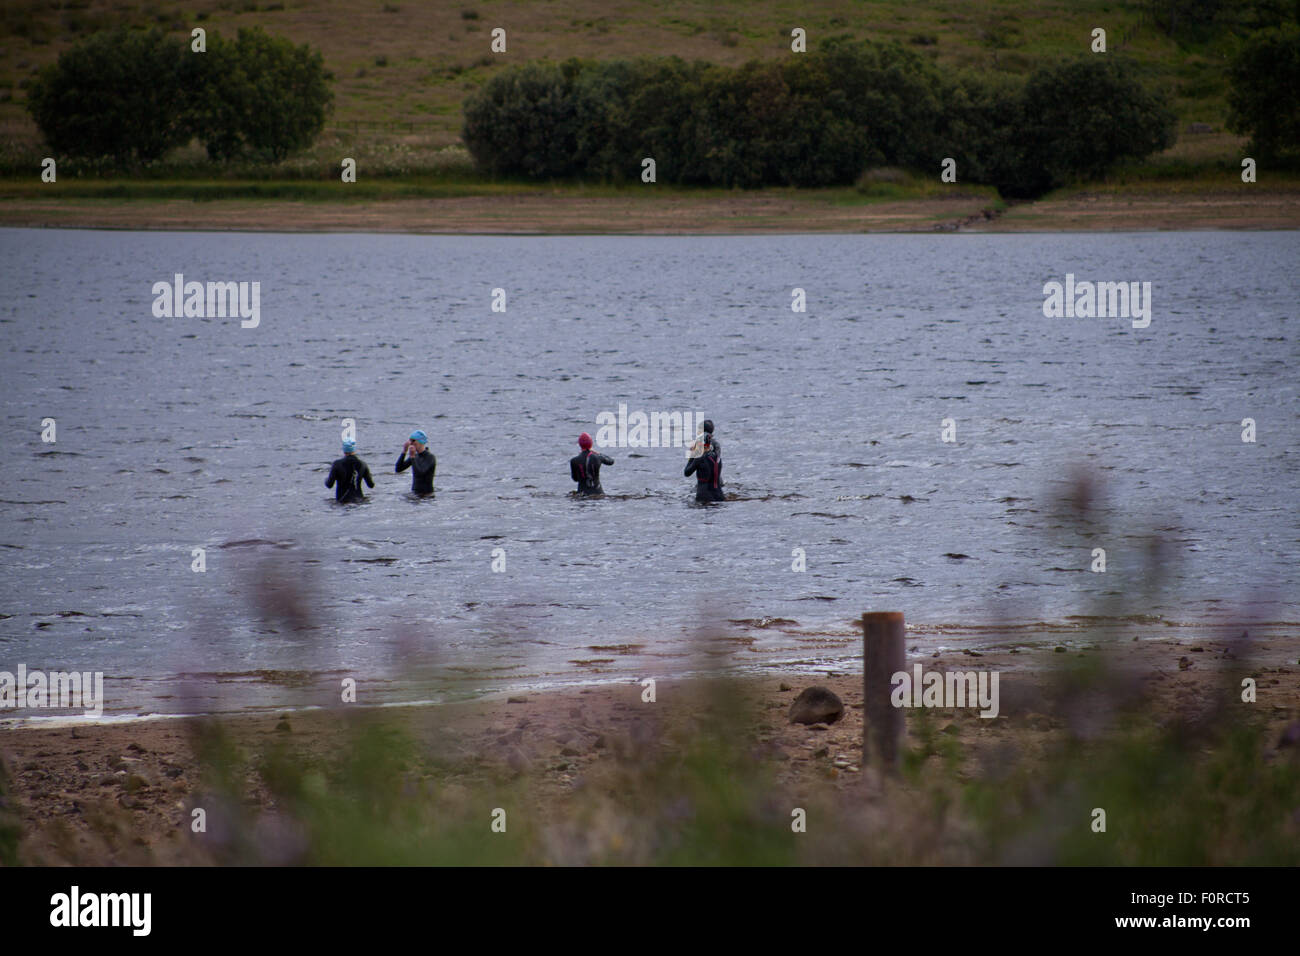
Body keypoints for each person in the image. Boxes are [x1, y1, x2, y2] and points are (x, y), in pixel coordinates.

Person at [325, 439, 374, 503]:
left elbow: (329, 485)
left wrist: (326, 479)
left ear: (344, 450)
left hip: (343, 500)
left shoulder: (337, 464)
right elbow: (371, 485)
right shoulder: (363, 464)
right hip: (359, 500)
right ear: (354, 449)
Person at [684, 431, 724, 502]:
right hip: (720, 496)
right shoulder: (717, 458)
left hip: (704, 497)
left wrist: (692, 455)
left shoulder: (699, 459)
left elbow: (687, 473)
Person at [396, 429, 436, 495]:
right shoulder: (415, 456)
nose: (410, 443)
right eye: (410, 440)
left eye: (413, 441)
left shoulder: (430, 457)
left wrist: (412, 457)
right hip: (415, 492)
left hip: (426, 494)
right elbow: (398, 469)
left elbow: (420, 473)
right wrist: (404, 452)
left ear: (421, 442)